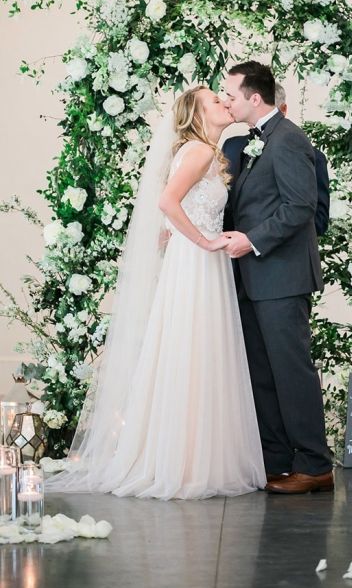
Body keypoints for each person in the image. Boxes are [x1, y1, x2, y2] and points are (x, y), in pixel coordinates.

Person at [46, 85, 266, 500]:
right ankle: (187, 464)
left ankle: (186, 458)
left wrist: (183, 237)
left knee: (192, 350)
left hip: (197, 263)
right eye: (215, 101)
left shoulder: (199, 151)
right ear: (197, 115)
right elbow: (168, 201)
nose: (224, 102)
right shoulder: (199, 151)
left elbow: (178, 208)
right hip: (199, 263)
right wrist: (204, 242)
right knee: (195, 350)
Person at [222, 61, 333, 494]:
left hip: (281, 277)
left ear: (255, 97)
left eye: (231, 94)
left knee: (291, 372)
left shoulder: (289, 139)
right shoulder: (252, 142)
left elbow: (300, 207)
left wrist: (251, 240)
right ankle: (278, 460)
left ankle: (315, 464)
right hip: (251, 279)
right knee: (262, 374)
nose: (227, 100)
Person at [223, 82, 330, 236]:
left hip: (278, 256)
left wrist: (257, 239)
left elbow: (318, 222)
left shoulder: (313, 157)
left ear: (283, 110)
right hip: (227, 255)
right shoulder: (231, 147)